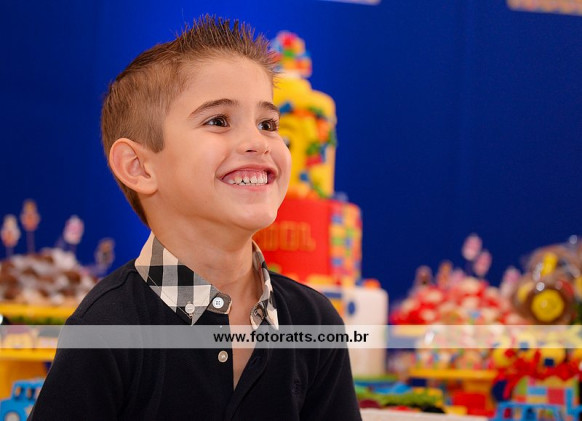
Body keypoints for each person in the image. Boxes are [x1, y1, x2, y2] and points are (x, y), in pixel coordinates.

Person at [30, 15, 362, 421]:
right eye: (218, 121)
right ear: (138, 167)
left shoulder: (315, 323)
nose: (257, 142)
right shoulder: (106, 328)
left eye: (268, 124)